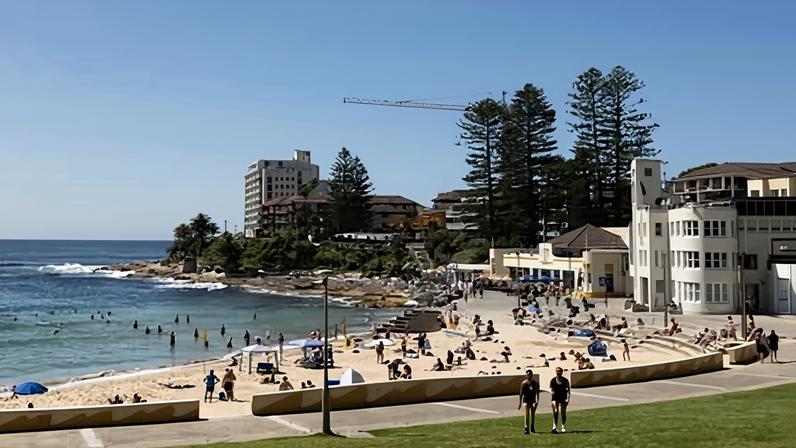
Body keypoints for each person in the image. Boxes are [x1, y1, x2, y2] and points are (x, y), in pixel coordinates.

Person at [518, 369, 540, 434]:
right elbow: (521, 394)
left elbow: (537, 393)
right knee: (526, 414)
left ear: (532, 375)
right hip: (526, 400)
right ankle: (526, 428)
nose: (528, 375)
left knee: (533, 414)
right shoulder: (523, 384)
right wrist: (520, 403)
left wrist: (537, 401)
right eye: (527, 374)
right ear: (526, 375)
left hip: (533, 400)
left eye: (530, 374)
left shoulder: (535, 383)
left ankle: (532, 427)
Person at [550, 367, 570, 433]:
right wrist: (552, 400)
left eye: (559, 371)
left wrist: (567, 399)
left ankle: (563, 426)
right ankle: (554, 426)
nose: (558, 373)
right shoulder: (553, 380)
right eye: (557, 371)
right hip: (555, 398)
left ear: (562, 372)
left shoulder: (565, 380)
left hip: (563, 397)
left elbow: (568, 392)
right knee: (555, 411)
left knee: (563, 412)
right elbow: (552, 390)